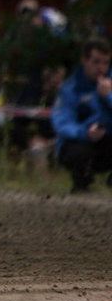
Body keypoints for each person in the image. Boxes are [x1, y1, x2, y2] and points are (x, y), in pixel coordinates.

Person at [51, 36, 112, 193]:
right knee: (78, 152)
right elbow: (62, 122)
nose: (101, 68)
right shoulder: (70, 88)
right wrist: (85, 133)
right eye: (96, 62)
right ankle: (81, 185)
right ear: (84, 60)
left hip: (108, 140)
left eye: (105, 63)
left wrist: (109, 96)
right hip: (81, 142)